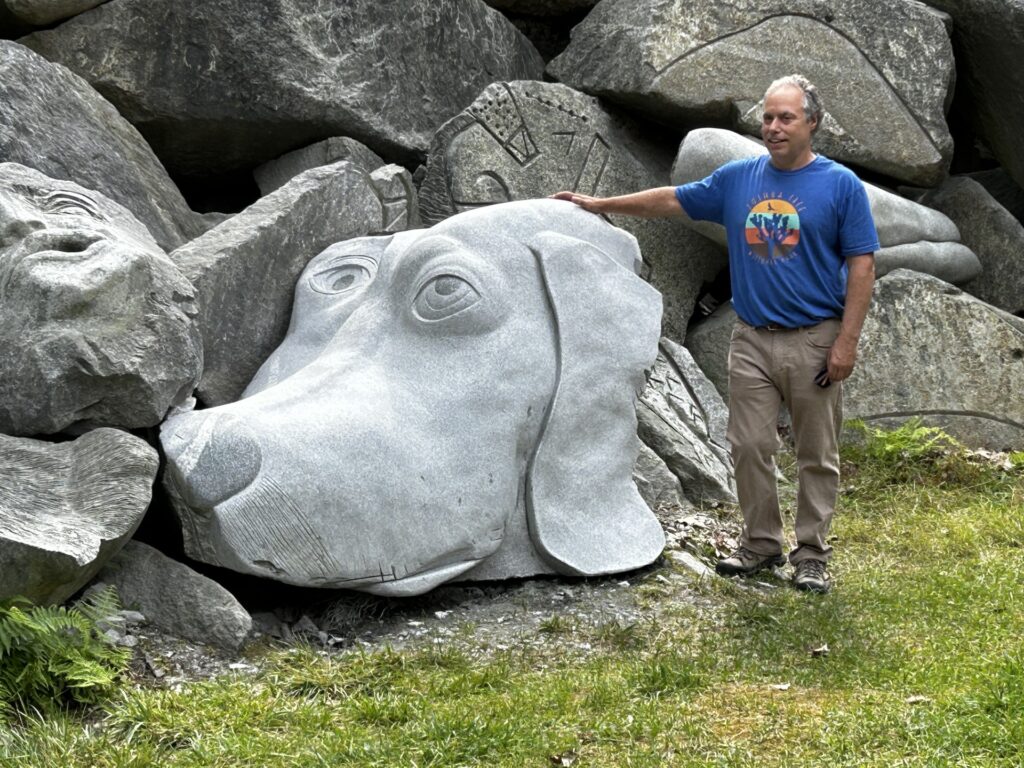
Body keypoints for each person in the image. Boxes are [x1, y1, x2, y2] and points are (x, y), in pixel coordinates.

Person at [551, 74, 878, 593]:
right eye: (768, 117)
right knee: (748, 444)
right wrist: (601, 204)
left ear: (811, 123)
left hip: (815, 339)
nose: (773, 127)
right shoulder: (738, 178)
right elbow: (674, 200)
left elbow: (863, 265)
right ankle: (761, 544)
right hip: (751, 339)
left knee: (817, 453)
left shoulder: (840, 185)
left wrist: (847, 342)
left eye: (785, 117)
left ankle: (812, 554)